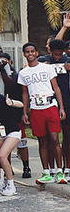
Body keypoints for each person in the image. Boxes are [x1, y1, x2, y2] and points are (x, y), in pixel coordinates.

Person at [18, 42, 66, 184]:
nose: (30, 54)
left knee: (55, 139)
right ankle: (46, 172)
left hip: (50, 105)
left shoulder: (47, 68)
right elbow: (25, 94)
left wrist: (61, 107)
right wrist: (25, 112)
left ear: (37, 53)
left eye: (33, 51)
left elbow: (56, 88)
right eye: (27, 52)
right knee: (42, 141)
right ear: (24, 54)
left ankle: (59, 172)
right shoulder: (23, 73)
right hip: (36, 108)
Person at [39, 28, 70, 180]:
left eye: (60, 54)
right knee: (51, 138)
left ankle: (67, 168)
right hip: (48, 103)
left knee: (67, 136)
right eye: (55, 54)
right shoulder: (43, 61)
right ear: (50, 51)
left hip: (66, 101)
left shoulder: (67, 60)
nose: (57, 57)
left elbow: (59, 43)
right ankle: (51, 169)